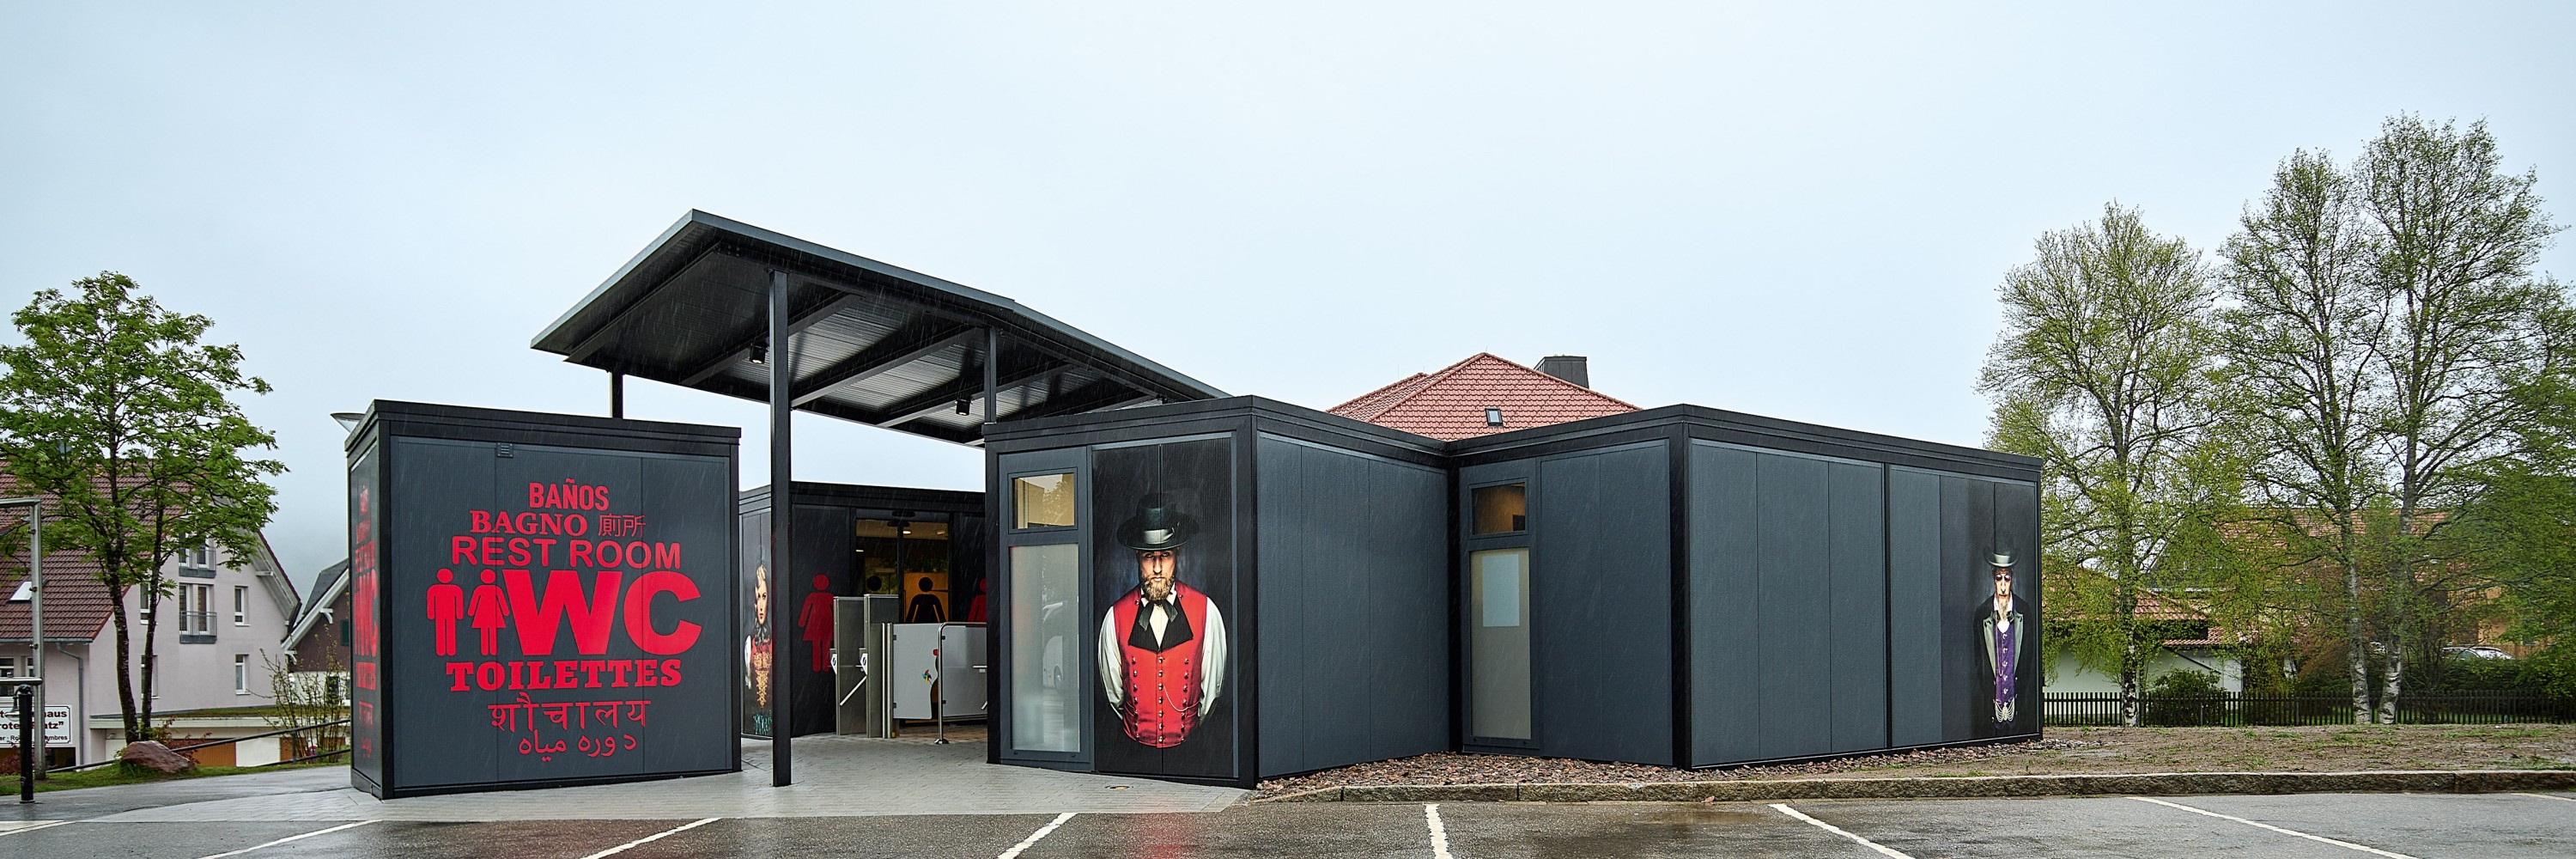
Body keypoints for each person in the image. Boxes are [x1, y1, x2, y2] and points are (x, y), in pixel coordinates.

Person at [1097, 493, 1227, 748]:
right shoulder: (1115, 617)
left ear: (1177, 555)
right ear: (1136, 556)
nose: (1157, 568)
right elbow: (1115, 697)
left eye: (1164, 555)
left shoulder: (1206, 610)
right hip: (1133, 750)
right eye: (1148, 557)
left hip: (1190, 751)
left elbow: (1211, 692)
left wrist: (1189, 728)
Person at [1982, 553, 2024, 724]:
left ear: (2012, 579)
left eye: (2007, 578)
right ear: (1994, 580)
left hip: (2016, 696)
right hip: (1991, 698)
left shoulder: (2023, 611)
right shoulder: (1982, 613)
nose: (2003, 586)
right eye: (1999, 579)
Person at [467, 569, 510, 656]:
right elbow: (502, 602)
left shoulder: (482, 589)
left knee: (486, 632)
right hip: (488, 614)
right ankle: (490, 650)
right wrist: (505, 612)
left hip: (485, 613)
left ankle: (486, 651)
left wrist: (471, 612)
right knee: (491, 632)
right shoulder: (492, 589)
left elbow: (474, 602)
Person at [799, 574, 835, 666]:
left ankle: (817, 666)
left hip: (815, 624)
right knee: (826, 645)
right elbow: (835, 610)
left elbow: (805, 610)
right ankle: (826, 666)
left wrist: (802, 622)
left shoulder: (811, 596)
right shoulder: (830, 596)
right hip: (827, 623)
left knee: (816, 646)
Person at [426, 569, 465, 656]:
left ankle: (447, 650)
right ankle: (445, 650)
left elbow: (459, 602)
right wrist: (459, 615)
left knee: (446, 630)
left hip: (446, 613)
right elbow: (431, 603)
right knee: (444, 630)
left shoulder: (455, 589)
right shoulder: (454, 589)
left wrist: (459, 615)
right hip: (444, 613)